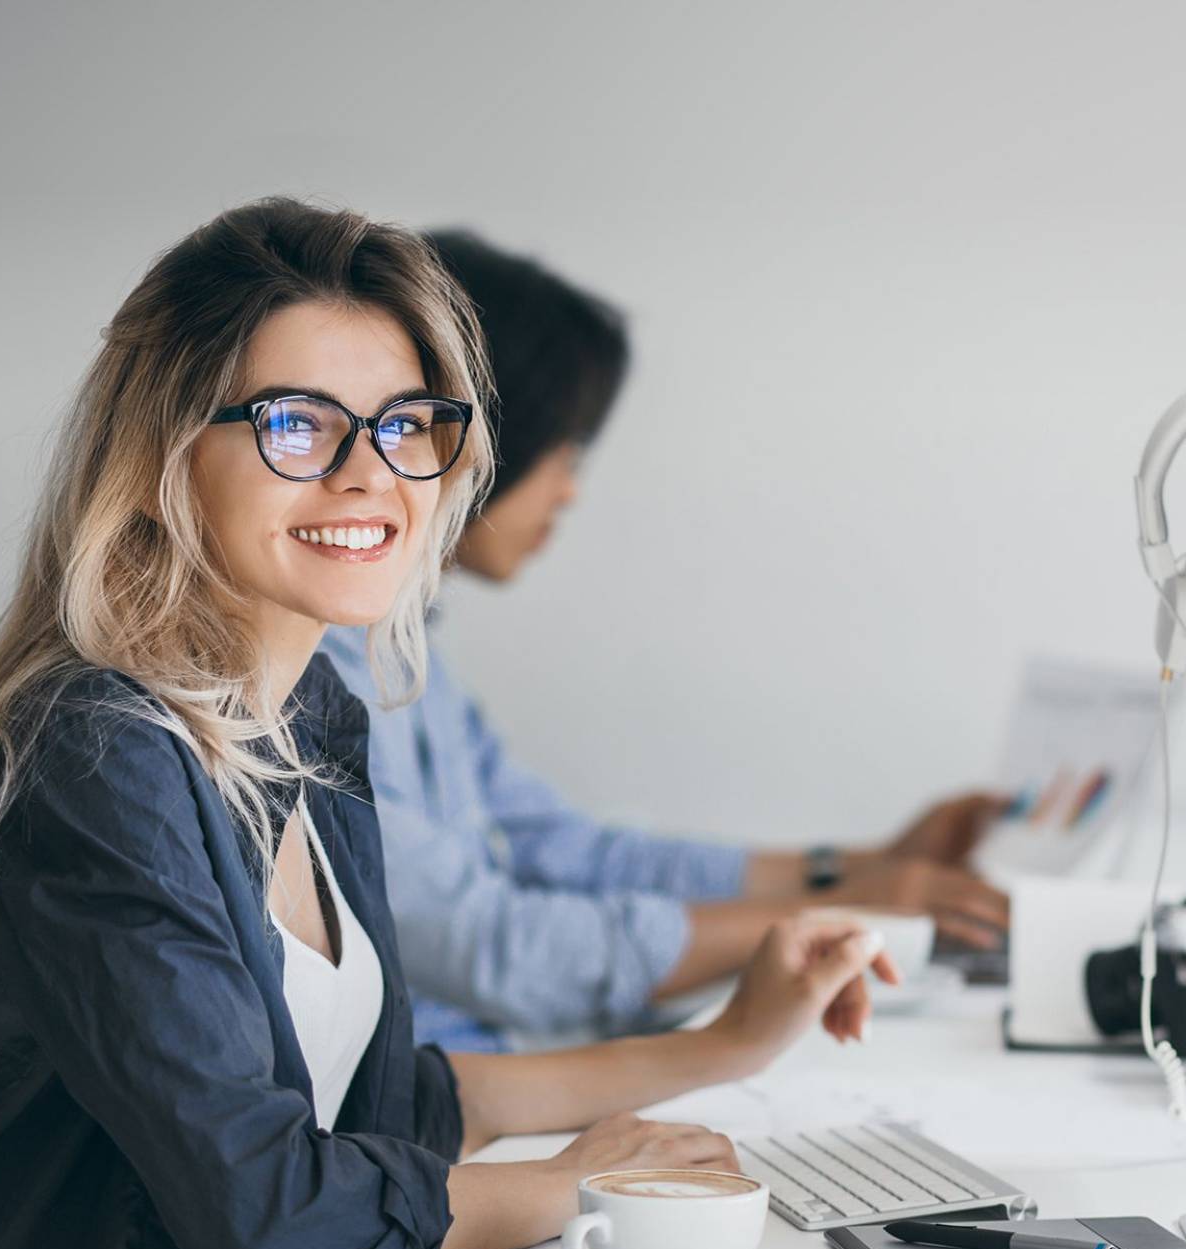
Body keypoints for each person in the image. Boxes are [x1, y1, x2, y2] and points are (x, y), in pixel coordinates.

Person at [0, 198, 896, 1249]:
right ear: (165, 455)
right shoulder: (97, 755)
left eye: (408, 422)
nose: (370, 470)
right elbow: (269, 1219)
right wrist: (578, 1185)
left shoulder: (308, 713)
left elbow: (378, 1108)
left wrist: (723, 1046)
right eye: (297, 423)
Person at [322, 230, 1010, 1051]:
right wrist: (837, 913)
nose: (571, 490)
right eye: (564, 448)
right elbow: (492, 945)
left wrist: (854, 870)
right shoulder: (317, 676)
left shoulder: (408, 658)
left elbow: (568, 851)